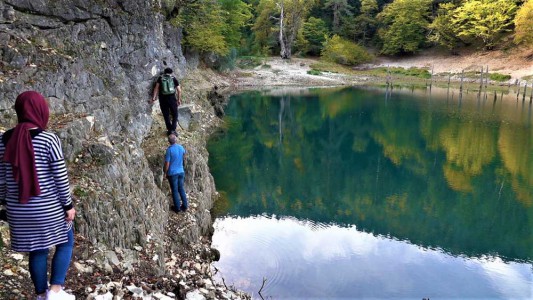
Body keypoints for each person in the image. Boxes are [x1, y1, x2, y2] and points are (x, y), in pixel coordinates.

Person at [0, 91, 76, 300]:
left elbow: (1, 179)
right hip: (47, 208)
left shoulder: (4, 139)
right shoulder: (49, 139)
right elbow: (60, 177)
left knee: (37, 249)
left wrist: (4, 205)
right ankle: (55, 290)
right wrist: (68, 205)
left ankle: (41, 294)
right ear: (41, 110)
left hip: (18, 210)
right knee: (66, 240)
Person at [150, 67, 182, 136]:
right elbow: (179, 90)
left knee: (166, 115)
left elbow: (156, 88)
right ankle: (173, 130)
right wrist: (179, 99)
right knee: (175, 114)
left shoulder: (160, 78)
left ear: (164, 72)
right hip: (172, 98)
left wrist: (153, 98)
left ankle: (169, 130)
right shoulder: (173, 78)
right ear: (171, 73)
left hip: (163, 99)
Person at [164, 133, 188, 212]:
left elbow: (167, 163)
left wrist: (165, 172)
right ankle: (185, 206)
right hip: (181, 171)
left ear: (169, 141)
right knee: (181, 188)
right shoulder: (181, 147)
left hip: (173, 173)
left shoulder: (169, 150)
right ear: (176, 140)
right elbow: (184, 156)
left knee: (174, 190)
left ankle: (177, 208)